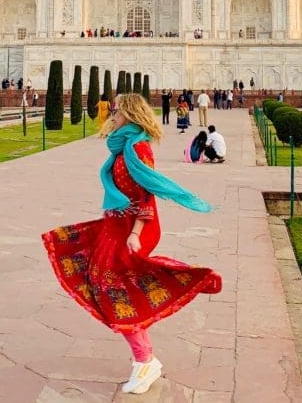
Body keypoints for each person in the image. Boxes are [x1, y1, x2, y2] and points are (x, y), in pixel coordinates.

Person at [41, 93, 221, 396]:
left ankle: (145, 359)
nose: (113, 115)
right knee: (109, 283)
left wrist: (136, 232)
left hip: (135, 227)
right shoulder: (121, 146)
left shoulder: (138, 146)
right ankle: (144, 358)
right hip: (115, 224)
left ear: (130, 114)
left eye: (117, 111)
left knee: (113, 287)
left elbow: (147, 194)